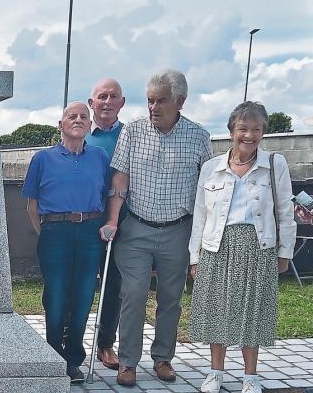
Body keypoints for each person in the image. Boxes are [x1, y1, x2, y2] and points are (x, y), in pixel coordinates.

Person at [102, 69, 213, 387]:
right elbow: (120, 178)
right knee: (133, 293)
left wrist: (203, 236)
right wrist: (112, 219)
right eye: (150, 100)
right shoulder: (133, 131)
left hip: (178, 230)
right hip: (136, 228)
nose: (153, 107)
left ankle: (163, 358)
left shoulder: (199, 136)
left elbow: (207, 187)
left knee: (170, 298)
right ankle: (128, 362)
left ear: (180, 101)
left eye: (161, 100)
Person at [188, 101, 296, 393]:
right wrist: (194, 255)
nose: (249, 135)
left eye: (256, 129)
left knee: (254, 312)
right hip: (217, 246)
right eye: (243, 129)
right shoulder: (211, 168)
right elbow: (200, 213)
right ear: (231, 130)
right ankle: (215, 373)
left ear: (263, 132)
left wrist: (285, 251)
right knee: (216, 311)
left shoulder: (274, 164)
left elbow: (285, 211)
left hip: (258, 247)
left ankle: (250, 377)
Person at [23, 102, 109, 382]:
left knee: (84, 295)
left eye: (84, 116)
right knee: (56, 295)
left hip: (89, 231)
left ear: (89, 125)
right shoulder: (42, 159)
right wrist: (47, 233)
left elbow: (107, 195)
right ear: (61, 124)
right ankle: (53, 354)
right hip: (55, 232)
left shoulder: (99, 157)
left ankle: (73, 359)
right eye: (71, 116)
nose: (78, 119)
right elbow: (32, 205)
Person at [85, 78, 126, 371]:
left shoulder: (132, 136)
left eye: (113, 97)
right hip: (86, 220)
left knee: (114, 285)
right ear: (92, 103)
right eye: (102, 96)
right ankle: (70, 341)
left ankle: (105, 344)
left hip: (121, 220)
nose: (107, 102)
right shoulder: (79, 134)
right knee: (82, 283)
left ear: (122, 103)